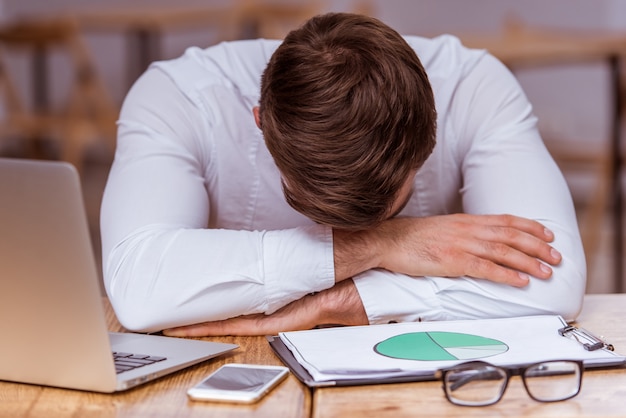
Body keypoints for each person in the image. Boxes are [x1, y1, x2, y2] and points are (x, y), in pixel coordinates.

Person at [100, 12, 585, 336]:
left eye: (385, 213)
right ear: (260, 125)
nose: (361, 230)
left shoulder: (472, 86)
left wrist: (350, 300)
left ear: (431, 135)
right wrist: (386, 244)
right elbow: (138, 285)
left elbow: (555, 282)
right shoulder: (179, 96)